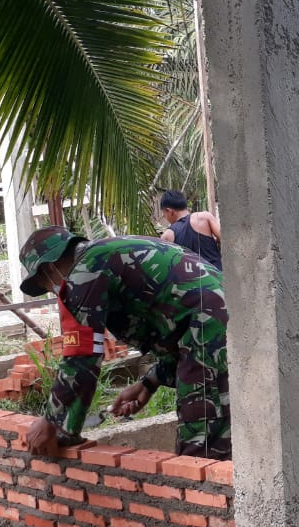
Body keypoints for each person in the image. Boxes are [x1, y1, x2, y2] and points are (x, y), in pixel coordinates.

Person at [17, 226, 231, 458]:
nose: (52, 290)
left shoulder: (85, 271)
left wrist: (50, 421)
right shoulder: (107, 255)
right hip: (218, 320)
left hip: (209, 327)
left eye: (45, 284)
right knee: (221, 423)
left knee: (202, 432)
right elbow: (173, 326)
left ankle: (204, 491)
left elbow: (81, 359)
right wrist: (148, 383)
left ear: (48, 268)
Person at [159, 190, 222, 270]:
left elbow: (166, 267)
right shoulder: (204, 217)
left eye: (164, 214)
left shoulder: (167, 236)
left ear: (169, 211)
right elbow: (227, 241)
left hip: (190, 281)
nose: (165, 217)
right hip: (218, 278)